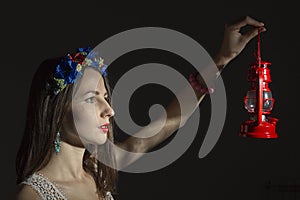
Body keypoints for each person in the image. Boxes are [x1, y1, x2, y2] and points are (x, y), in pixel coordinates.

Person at [15, 15, 266, 200]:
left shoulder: (98, 172)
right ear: (57, 112)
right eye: (92, 98)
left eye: (106, 96)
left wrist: (221, 59)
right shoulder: (34, 195)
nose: (109, 110)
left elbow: (165, 124)